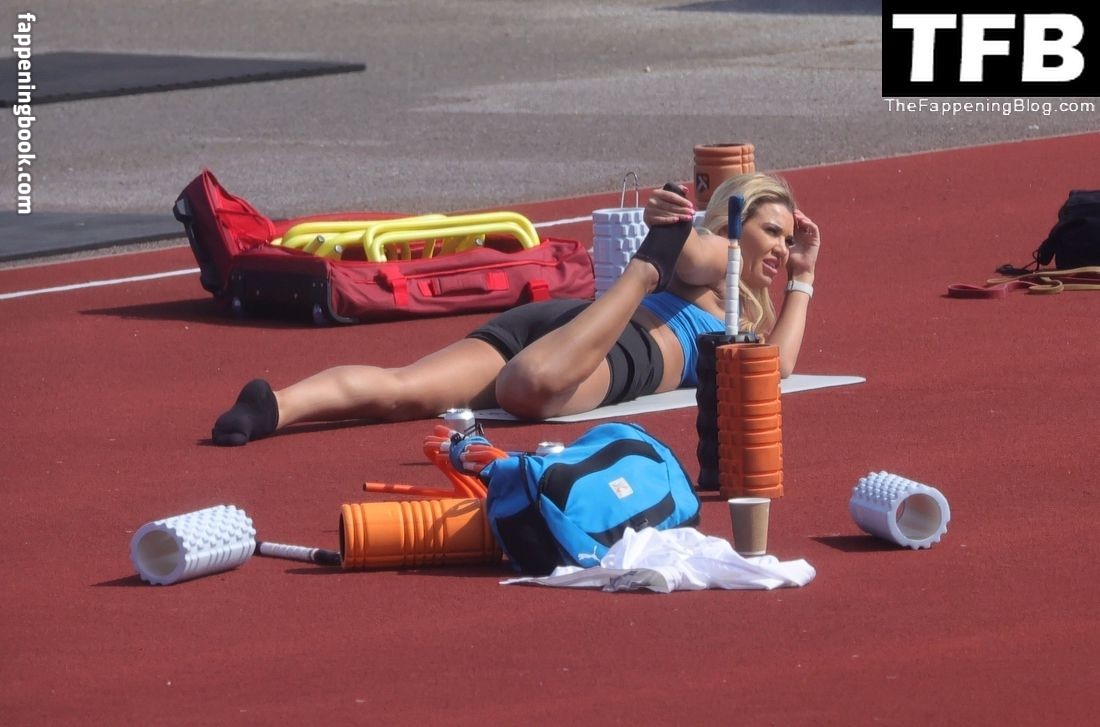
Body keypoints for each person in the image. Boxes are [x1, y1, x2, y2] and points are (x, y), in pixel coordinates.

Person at [211, 172, 821, 446]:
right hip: (616, 349)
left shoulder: (745, 313)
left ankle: (276, 406)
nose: (779, 248)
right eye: (770, 232)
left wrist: (804, 275)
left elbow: (779, 364)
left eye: (787, 239)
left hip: (568, 326)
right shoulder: (719, 257)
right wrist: (671, 225)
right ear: (734, 223)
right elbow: (692, 247)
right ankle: (642, 269)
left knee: (406, 391)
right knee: (524, 392)